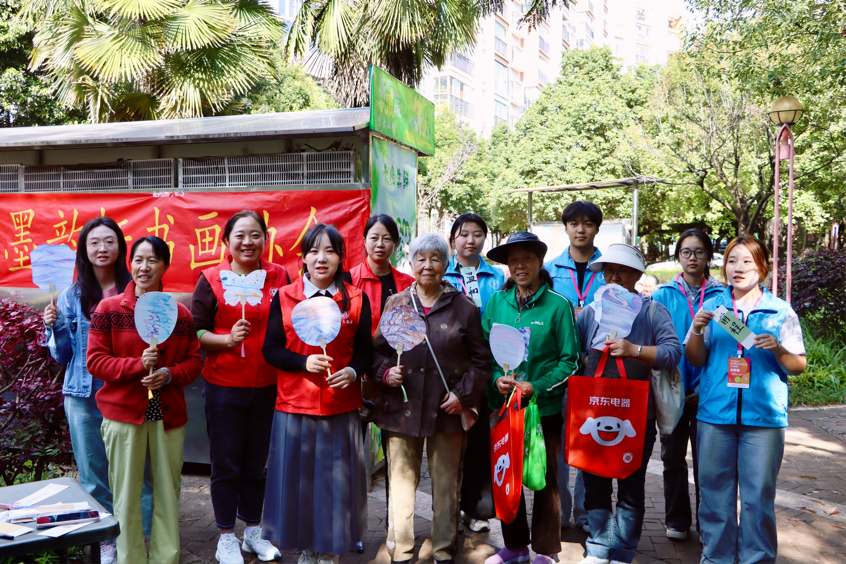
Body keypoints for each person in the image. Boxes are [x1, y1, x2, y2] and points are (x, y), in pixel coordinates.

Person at [685, 235, 806, 564]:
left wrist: (779, 349)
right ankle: (717, 559)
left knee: (757, 499)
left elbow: (798, 365)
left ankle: (757, 560)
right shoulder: (714, 308)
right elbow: (695, 359)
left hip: (763, 420)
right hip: (715, 417)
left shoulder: (780, 311)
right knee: (714, 498)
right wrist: (696, 330)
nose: (737, 268)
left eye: (747, 262)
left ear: (763, 267)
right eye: (731, 261)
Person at [371, 232, 491, 564]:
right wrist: (385, 374)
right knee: (401, 487)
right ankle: (402, 551)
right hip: (401, 410)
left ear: (446, 265)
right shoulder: (397, 303)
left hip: (446, 411)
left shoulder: (463, 308)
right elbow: (377, 353)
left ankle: (443, 550)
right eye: (421, 259)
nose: (427, 266)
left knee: (446, 484)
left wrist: (463, 396)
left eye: (435, 259)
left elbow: (481, 362)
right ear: (411, 264)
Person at [87, 236, 204, 564]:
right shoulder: (109, 310)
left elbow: (195, 362)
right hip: (124, 415)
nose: (144, 267)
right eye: (138, 259)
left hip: (166, 415)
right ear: (130, 264)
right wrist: (138, 364)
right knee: (125, 495)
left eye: (153, 260)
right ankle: (130, 558)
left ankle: (166, 558)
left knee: (168, 493)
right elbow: (95, 361)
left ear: (165, 265)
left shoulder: (179, 314)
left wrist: (168, 374)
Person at [43, 217, 152, 564]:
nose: (101, 248)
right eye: (94, 243)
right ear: (84, 250)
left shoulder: (138, 292)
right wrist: (55, 326)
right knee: (93, 473)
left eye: (109, 241)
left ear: (121, 247)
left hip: (128, 389)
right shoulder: (70, 296)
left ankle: (139, 538)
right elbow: (62, 355)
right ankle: (106, 537)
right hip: (81, 394)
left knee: (138, 470)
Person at [261, 224, 372, 564]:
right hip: (295, 406)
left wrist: (353, 371)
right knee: (299, 485)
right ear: (304, 258)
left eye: (330, 251)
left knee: (335, 486)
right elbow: (271, 350)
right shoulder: (284, 297)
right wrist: (302, 362)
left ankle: (330, 550)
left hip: (341, 406)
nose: (321, 258)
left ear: (341, 258)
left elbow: (366, 350)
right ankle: (307, 548)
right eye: (313, 251)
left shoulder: (355, 299)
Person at [191, 211, 290, 564]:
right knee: (226, 463)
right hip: (225, 387)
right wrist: (227, 339)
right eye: (240, 235)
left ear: (266, 239)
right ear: (227, 242)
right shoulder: (210, 279)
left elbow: (291, 324)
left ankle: (253, 533)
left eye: (256, 235)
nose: (248, 242)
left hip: (268, 385)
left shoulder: (279, 276)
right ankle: (225, 536)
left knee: (257, 463)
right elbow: (197, 333)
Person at [575, 243, 682, 564]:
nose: (614, 277)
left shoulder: (652, 311)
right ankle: (598, 546)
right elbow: (576, 353)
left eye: (621, 271)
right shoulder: (592, 310)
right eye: (608, 271)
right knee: (594, 482)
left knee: (631, 484)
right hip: (594, 410)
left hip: (636, 413)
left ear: (637, 275)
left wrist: (634, 349)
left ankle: (621, 550)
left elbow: (672, 352)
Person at [483, 232, 581, 564]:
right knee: (506, 475)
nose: (519, 265)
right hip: (505, 410)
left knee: (545, 480)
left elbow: (570, 361)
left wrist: (536, 386)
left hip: (545, 410)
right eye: (513, 260)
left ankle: (545, 550)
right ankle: (514, 547)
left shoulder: (558, 305)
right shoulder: (498, 302)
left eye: (526, 258)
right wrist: (497, 379)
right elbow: (484, 354)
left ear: (540, 262)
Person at [650, 229, 723, 541]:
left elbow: (739, 340)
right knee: (672, 458)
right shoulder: (662, 296)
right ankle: (677, 519)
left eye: (699, 252)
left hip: (710, 392)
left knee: (709, 464)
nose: (692, 258)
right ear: (677, 256)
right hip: (672, 390)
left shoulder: (723, 298)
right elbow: (651, 337)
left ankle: (709, 524)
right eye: (686, 252)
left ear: (708, 256)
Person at [544, 201, 606, 533]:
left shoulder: (608, 270)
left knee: (590, 443)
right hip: (560, 371)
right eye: (573, 223)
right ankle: (560, 510)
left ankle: (584, 512)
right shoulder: (550, 271)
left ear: (597, 228)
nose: (580, 229)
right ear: (565, 227)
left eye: (587, 224)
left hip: (598, 371)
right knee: (557, 446)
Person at [441, 213, 505, 534]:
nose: (471, 240)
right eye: (464, 234)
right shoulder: (441, 272)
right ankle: (449, 508)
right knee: (451, 441)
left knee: (481, 440)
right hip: (451, 368)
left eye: (478, 234)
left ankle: (477, 508)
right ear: (453, 240)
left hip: (485, 367)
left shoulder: (496, 277)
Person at [346, 214, 414, 336]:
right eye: (374, 238)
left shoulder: (409, 284)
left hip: (397, 353)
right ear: (364, 241)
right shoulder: (348, 280)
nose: (380, 244)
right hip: (360, 353)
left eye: (386, 239)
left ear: (396, 243)